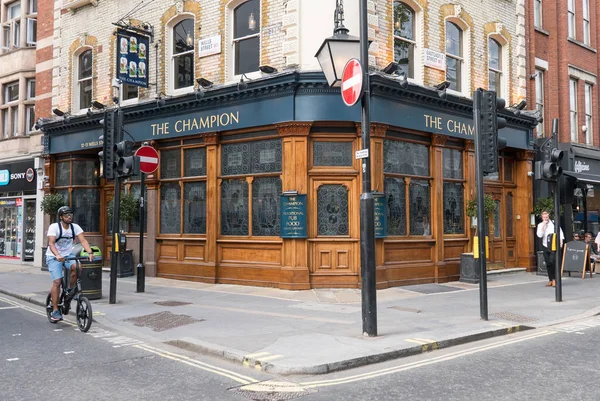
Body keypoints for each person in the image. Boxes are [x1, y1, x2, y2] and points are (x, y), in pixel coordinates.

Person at [46, 206, 94, 322]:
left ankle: (69, 291)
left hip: (68, 255)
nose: (69, 217)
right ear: (61, 217)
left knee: (77, 267)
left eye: (71, 215)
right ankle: (55, 310)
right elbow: (51, 244)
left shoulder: (75, 227)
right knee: (57, 281)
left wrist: (90, 252)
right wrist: (57, 255)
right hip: (53, 256)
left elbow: (83, 241)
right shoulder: (54, 227)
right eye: (67, 215)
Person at [536, 210, 564, 287]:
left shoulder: (554, 223)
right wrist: (543, 227)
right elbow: (539, 235)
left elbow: (560, 232)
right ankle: (550, 280)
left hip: (553, 245)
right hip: (545, 245)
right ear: (542, 218)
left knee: (553, 262)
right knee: (548, 263)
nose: (546, 218)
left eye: (547, 217)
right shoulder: (540, 225)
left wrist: (561, 242)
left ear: (549, 217)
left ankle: (555, 280)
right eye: (544, 217)